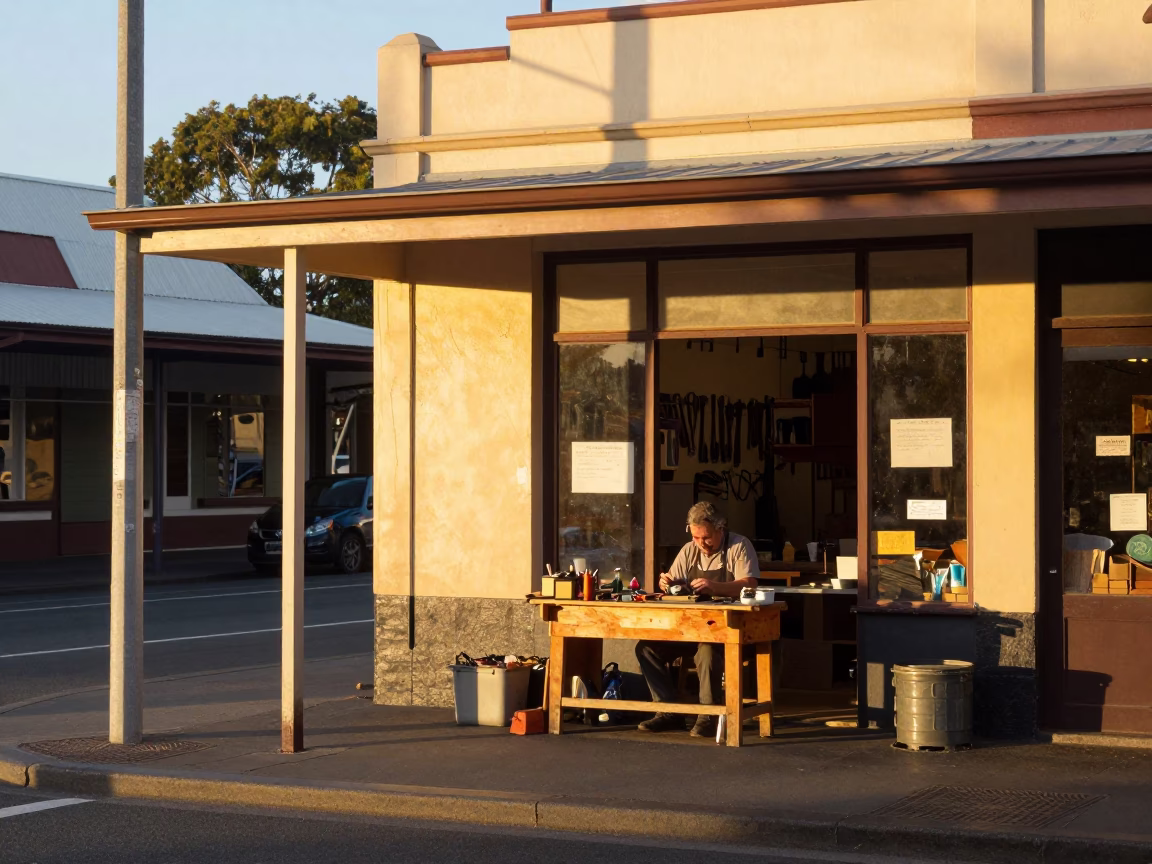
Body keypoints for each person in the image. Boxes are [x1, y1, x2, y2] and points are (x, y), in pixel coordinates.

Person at [635, 501, 760, 737]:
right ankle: (668, 711)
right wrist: (666, 583)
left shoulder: (739, 546)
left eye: (707, 537)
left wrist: (715, 586)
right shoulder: (689, 550)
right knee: (647, 650)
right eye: (696, 537)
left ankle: (708, 716)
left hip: (728, 630)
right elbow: (671, 579)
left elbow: (749, 584)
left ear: (720, 528)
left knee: (707, 651)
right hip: (690, 628)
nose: (702, 543)